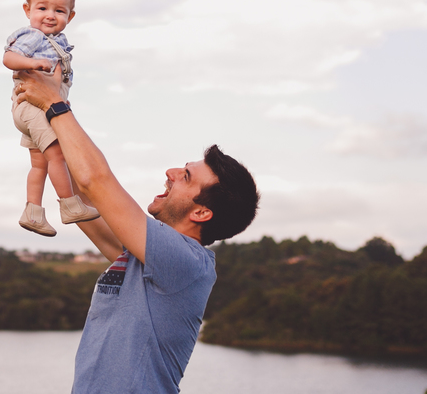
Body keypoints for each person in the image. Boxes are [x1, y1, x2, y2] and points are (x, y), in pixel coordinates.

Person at [13, 66, 260, 394]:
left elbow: (95, 181)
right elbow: (83, 192)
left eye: (185, 176)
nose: (171, 172)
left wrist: (55, 104)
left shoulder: (184, 261)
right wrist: (43, 123)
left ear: (201, 212)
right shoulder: (142, 259)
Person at [3, 0, 100, 236]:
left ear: (70, 16)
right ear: (27, 10)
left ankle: (32, 213)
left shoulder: (58, 42)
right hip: (32, 107)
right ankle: (70, 206)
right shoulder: (33, 37)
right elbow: (9, 59)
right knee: (57, 154)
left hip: (37, 109)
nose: (50, 15)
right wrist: (31, 63)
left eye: (59, 10)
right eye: (42, 8)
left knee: (40, 164)